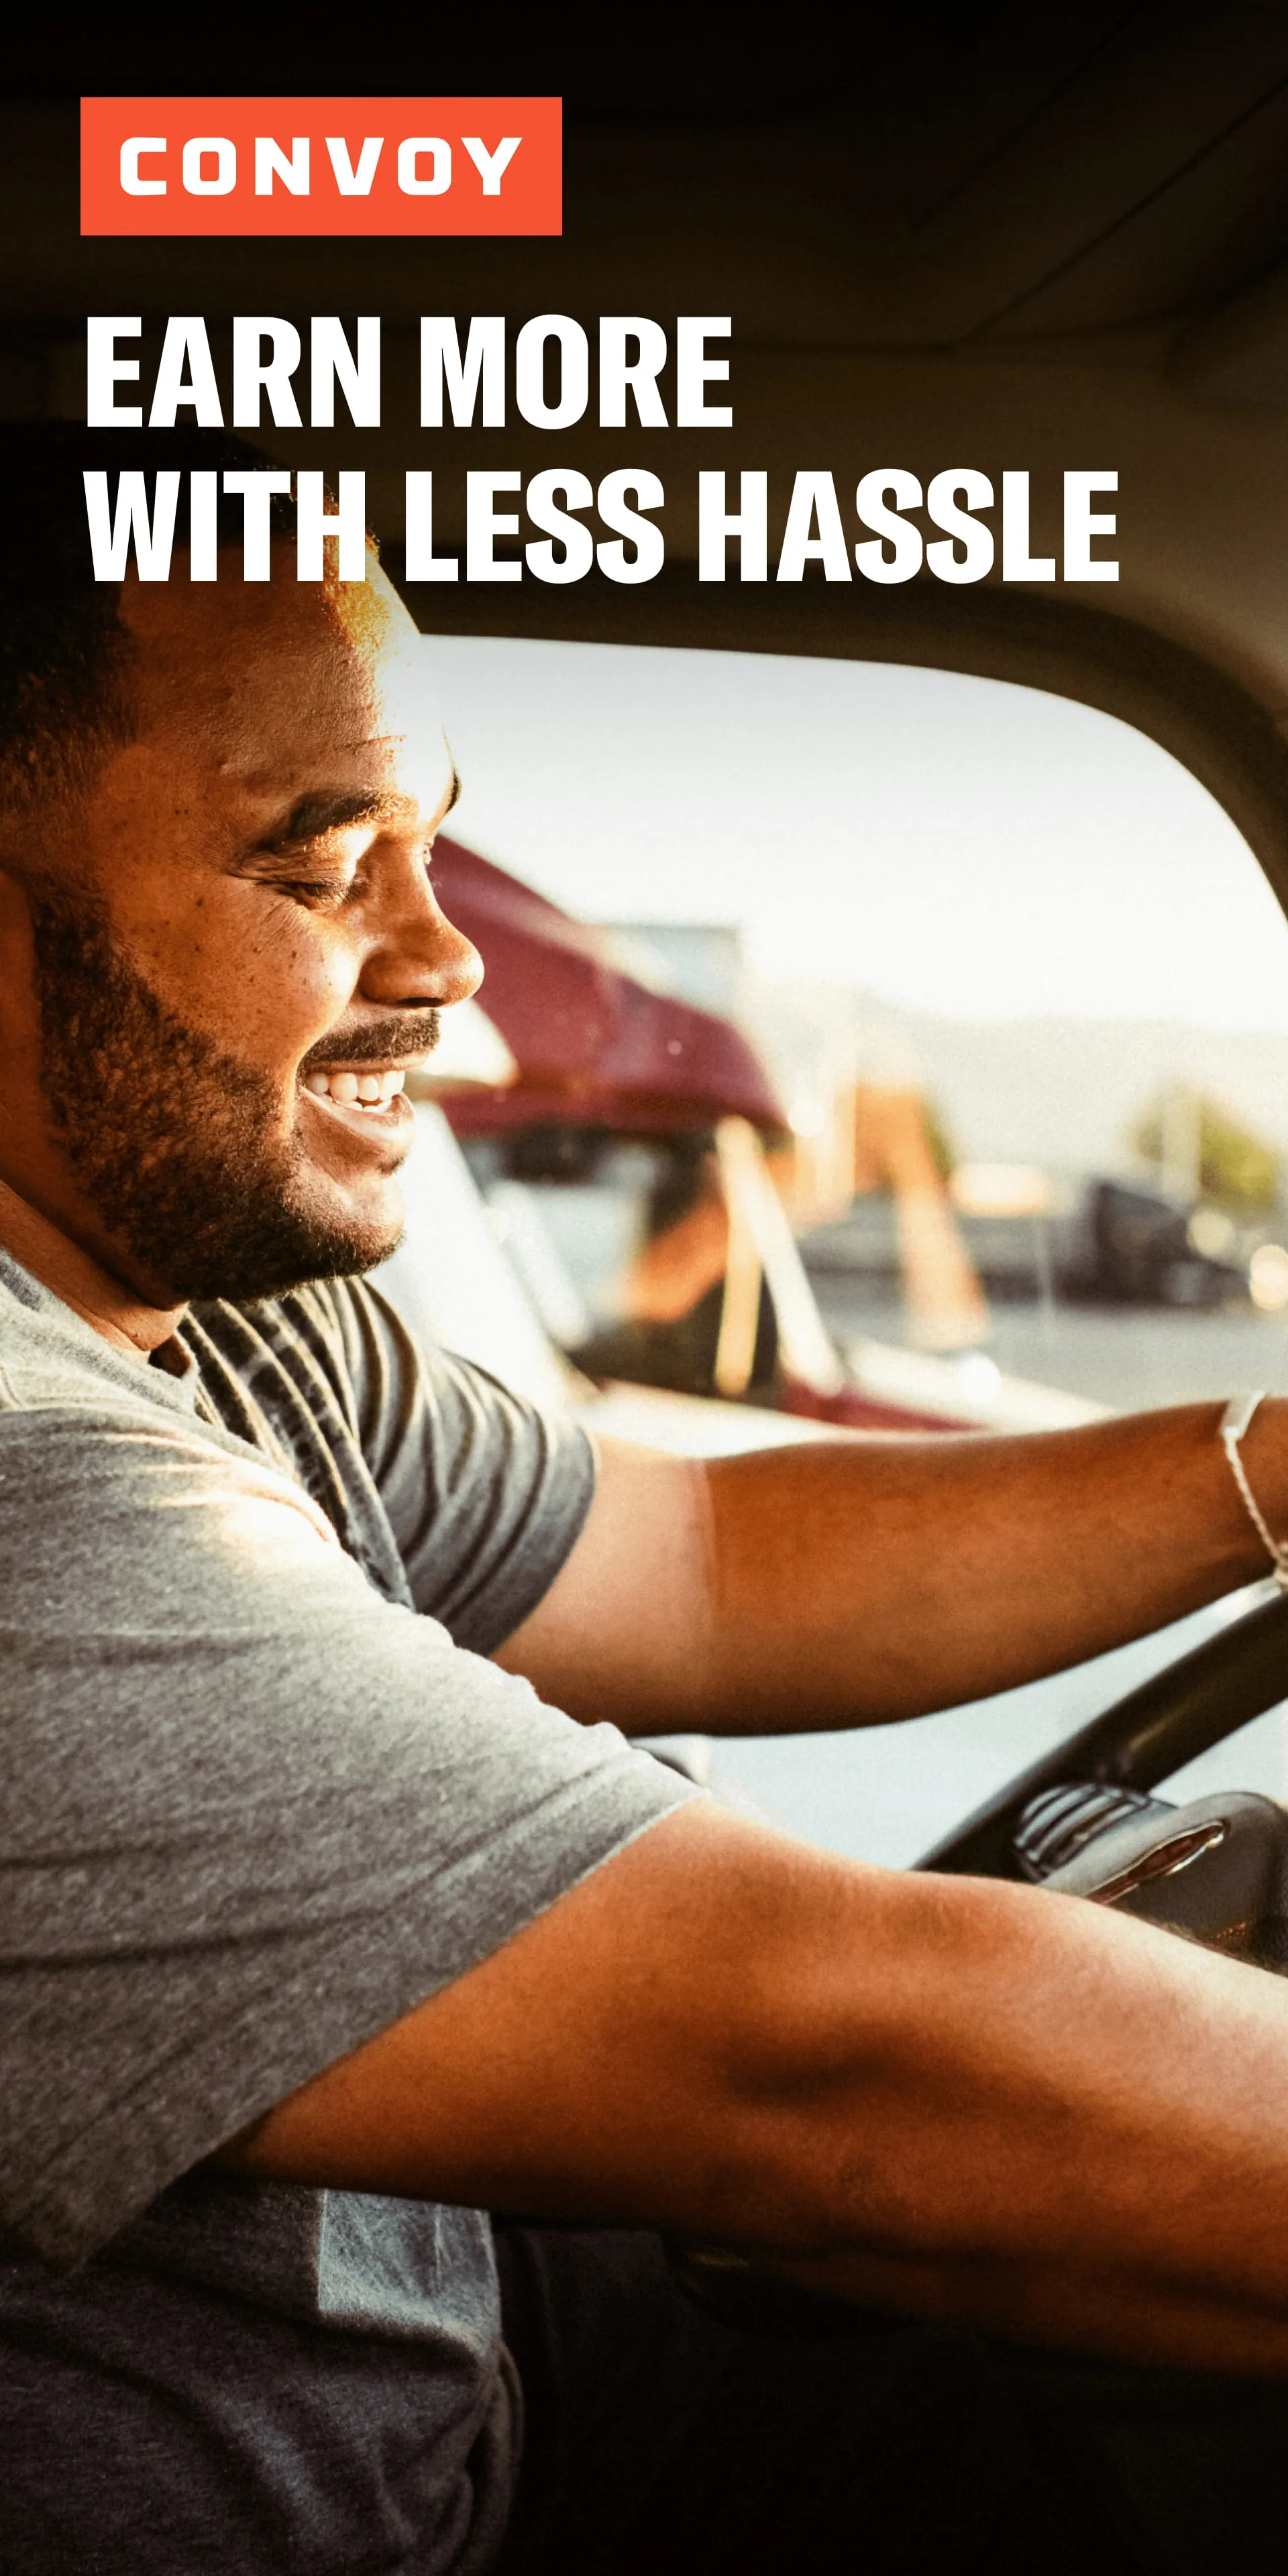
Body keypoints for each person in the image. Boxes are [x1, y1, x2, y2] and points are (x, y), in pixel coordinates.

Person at [4, 425, 1288, 2576]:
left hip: (512, 2426)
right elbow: (837, 2072)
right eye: (324, 865)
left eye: (432, 847)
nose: (451, 960)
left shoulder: (201, 1306)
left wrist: (1273, 1466)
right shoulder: (30, 1510)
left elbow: (694, 1560)